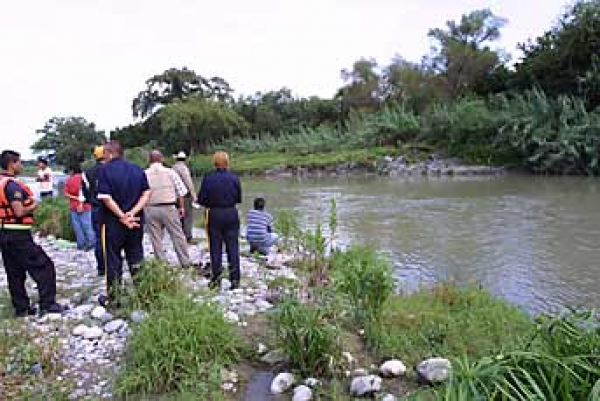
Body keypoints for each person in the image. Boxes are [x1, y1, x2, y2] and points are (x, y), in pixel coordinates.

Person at [0, 150, 67, 317]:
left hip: (4, 233)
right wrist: (33, 205)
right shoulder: (12, 186)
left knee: (14, 272)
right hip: (18, 236)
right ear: (12, 164)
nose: (21, 166)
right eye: (19, 162)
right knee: (44, 266)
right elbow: (19, 211)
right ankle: (48, 304)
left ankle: (21, 309)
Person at [96, 141, 150, 307]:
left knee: (113, 259)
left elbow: (105, 196)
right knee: (136, 257)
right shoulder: (137, 169)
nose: (103, 156)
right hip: (136, 221)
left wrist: (122, 216)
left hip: (114, 223)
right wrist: (132, 213)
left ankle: (115, 298)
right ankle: (144, 295)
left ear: (110, 153)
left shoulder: (104, 170)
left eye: (104, 153)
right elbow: (147, 193)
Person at [197, 151, 242, 290]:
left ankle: (216, 280)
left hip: (214, 213)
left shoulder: (208, 178)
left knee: (215, 248)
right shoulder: (234, 178)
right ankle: (235, 280)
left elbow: (202, 199)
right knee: (233, 247)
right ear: (227, 162)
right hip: (231, 213)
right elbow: (238, 198)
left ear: (214, 163)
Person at [145, 150, 192, 267]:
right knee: (177, 235)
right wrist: (181, 207)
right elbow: (181, 191)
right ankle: (185, 262)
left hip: (150, 208)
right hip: (169, 206)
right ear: (162, 159)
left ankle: (161, 264)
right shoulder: (170, 172)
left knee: (156, 238)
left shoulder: (144, 174)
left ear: (149, 160)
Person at [82, 145, 106, 275]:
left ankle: (101, 267)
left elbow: (85, 191)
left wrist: (89, 200)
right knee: (113, 236)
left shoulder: (87, 172)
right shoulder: (110, 169)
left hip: (96, 207)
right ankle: (112, 263)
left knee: (98, 238)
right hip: (110, 208)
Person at [63, 164, 95, 251]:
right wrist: (80, 202)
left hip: (73, 206)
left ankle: (81, 245)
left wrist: (75, 198)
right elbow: (84, 191)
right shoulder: (84, 178)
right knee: (88, 226)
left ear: (72, 171)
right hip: (86, 206)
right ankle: (92, 244)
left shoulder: (69, 180)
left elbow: (65, 193)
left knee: (78, 227)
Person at [172, 151, 195, 243]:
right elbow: (188, 182)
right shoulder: (183, 168)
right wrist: (194, 194)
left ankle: (179, 235)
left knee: (179, 215)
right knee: (188, 215)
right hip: (185, 195)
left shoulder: (173, 168)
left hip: (175, 196)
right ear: (185, 159)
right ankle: (188, 236)